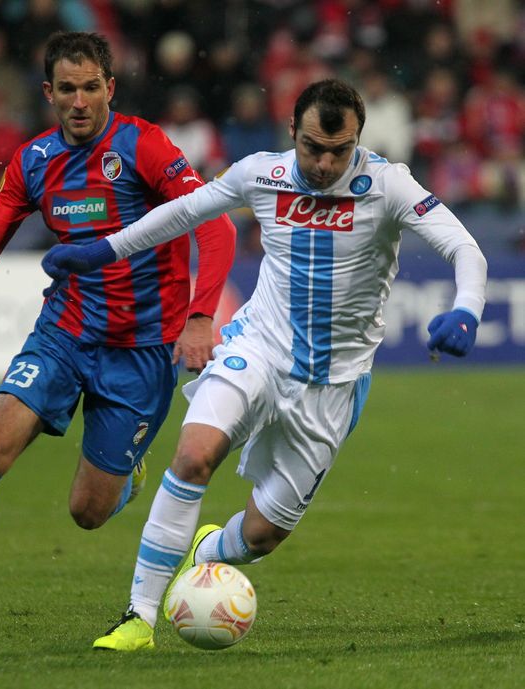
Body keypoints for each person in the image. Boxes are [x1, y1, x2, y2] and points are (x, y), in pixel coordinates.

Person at [39, 78, 487, 651]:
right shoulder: (260, 173)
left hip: (333, 384)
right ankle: (138, 616)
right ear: (292, 133)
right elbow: (184, 212)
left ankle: (203, 552)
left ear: (358, 142)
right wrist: (102, 250)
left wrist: (467, 310)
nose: (324, 164)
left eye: (339, 150)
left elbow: (464, 248)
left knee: (262, 535)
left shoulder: (388, 185)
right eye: (312, 148)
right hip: (260, 347)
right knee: (196, 454)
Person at [0, 31, 236, 626]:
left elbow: (216, 229)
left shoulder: (145, 147)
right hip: (65, 331)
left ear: (109, 88)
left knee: (89, 513)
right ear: (48, 92)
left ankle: (127, 476)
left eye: (91, 87)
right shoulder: (33, 161)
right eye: (67, 89)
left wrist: (200, 318)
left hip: (142, 350)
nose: (79, 101)